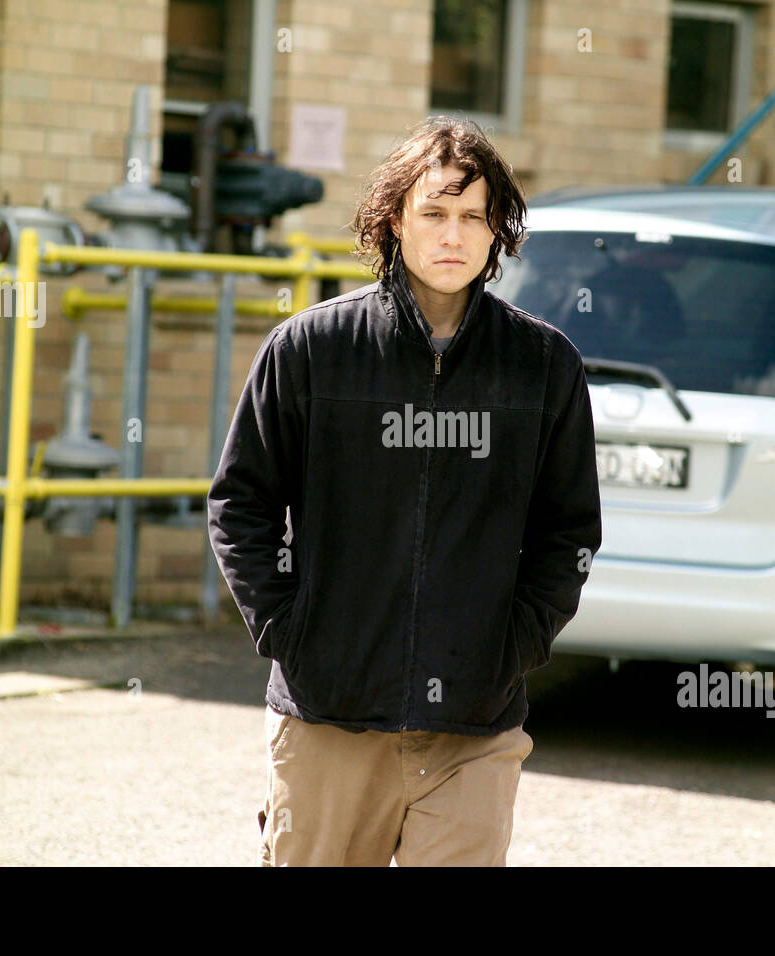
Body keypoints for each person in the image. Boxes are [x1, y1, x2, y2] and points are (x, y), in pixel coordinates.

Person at [207, 116, 602, 866]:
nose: (452, 235)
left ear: (496, 232)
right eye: (433, 213)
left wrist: (512, 647)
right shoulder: (311, 351)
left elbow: (568, 532)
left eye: (471, 216)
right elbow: (241, 504)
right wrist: (293, 636)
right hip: (330, 719)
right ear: (396, 221)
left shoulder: (544, 367)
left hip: (472, 730)